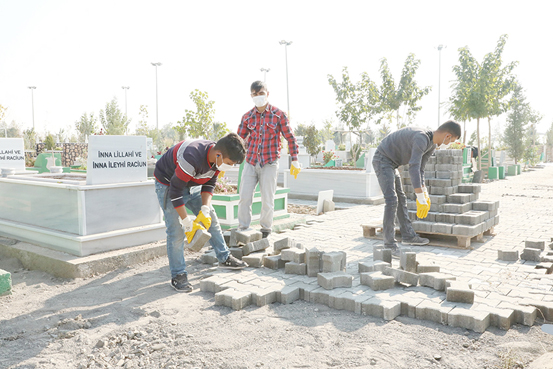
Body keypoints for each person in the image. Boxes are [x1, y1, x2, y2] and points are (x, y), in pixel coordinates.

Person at [154, 133, 248, 292]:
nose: (230, 166)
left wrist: (205, 208)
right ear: (218, 155)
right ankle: (178, 275)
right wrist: (186, 221)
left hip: (191, 184)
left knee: (211, 219)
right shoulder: (191, 157)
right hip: (169, 184)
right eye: (229, 163)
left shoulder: (217, 160)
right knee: (176, 232)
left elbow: (209, 183)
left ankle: (224, 257)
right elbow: (175, 193)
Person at [372, 120, 462, 254]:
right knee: (391, 200)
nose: (449, 144)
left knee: (400, 198)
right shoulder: (421, 138)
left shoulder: (431, 145)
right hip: (383, 159)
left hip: (392, 163)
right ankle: (389, 245)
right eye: (451, 141)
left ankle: (408, 236)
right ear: (447, 136)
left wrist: (424, 192)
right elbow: (413, 167)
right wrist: (419, 196)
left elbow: (420, 169)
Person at [237, 80, 300, 238]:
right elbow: (238, 140)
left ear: (267, 94)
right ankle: (243, 230)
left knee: (267, 199)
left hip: (269, 163)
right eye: (255, 94)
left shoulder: (278, 115)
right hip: (250, 162)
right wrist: (225, 159)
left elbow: (290, 138)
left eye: (261, 93)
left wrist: (295, 159)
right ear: (251, 96)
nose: (258, 97)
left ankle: (265, 230)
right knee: (244, 197)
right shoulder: (247, 117)